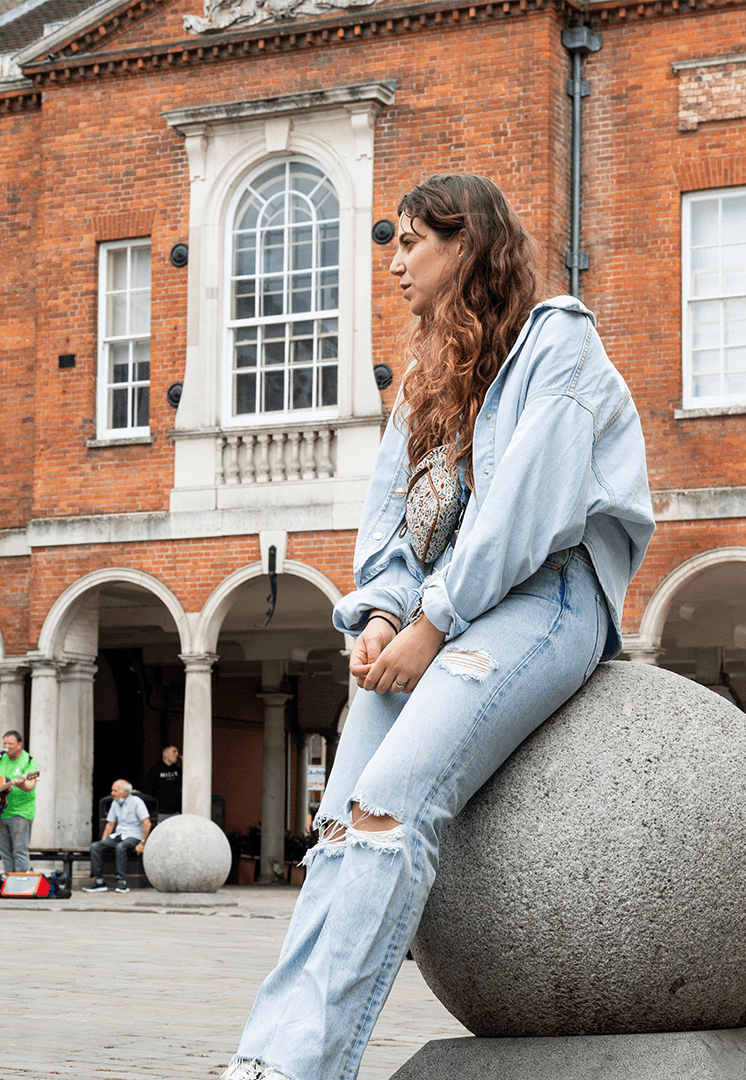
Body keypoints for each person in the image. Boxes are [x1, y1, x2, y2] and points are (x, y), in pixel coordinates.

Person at [224, 174, 653, 1080]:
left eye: (412, 241)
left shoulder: (559, 340)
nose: (395, 264)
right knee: (338, 826)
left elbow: (528, 513)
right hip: (436, 614)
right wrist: (383, 614)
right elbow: (389, 525)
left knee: (390, 808)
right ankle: (262, 1061)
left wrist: (432, 621)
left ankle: (307, 1069)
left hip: (547, 598)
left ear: (468, 246)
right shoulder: (425, 380)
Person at [0, 731, 39, 873]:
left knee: (19, 850)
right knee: (3, 850)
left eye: (10, 744)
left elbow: (29, 786)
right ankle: (9, 879)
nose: (6, 746)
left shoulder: (29, 762)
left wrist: (20, 783)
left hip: (21, 812)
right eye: (4, 743)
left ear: (20, 745)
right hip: (1, 812)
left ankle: (20, 882)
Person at [88, 779, 152, 893]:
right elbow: (110, 824)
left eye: (115, 791)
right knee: (95, 846)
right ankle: (99, 881)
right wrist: (104, 842)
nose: (112, 793)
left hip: (133, 836)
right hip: (118, 835)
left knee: (121, 847)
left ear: (125, 792)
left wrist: (142, 843)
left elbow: (147, 823)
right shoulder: (115, 803)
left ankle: (121, 882)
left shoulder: (137, 802)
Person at [151, 745, 183, 823]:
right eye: (174, 751)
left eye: (177, 752)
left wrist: (185, 765)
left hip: (176, 811)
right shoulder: (155, 770)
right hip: (161, 812)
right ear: (165, 754)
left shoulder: (178, 771)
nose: (177, 754)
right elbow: (150, 789)